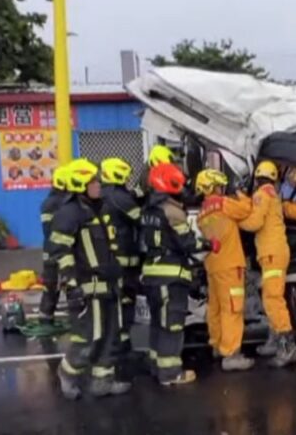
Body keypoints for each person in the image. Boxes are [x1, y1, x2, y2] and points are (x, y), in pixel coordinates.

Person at [49, 158, 130, 400]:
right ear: (80, 185)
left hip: (108, 285)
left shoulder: (99, 208)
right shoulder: (69, 213)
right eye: (93, 181)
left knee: (110, 336)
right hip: (87, 288)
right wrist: (72, 284)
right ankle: (67, 374)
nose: (98, 184)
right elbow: (60, 252)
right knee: (88, 338)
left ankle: (102, 381)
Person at [140, 163, 215, 385]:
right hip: (171, 277)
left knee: (158, 323)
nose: (183, 190)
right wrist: (209, 244)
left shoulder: (148, 210)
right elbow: (188, 242)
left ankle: (156, 365)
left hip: (152, 275)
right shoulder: (172, 211)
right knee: (172, 326)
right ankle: (170, 373)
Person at [239, 160, 296, 368]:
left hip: (272, 253)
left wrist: (235, 218)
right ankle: (277, 340)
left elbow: (254, 223)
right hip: (275, 252)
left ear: (257, 178)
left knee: (273, 299)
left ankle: (287, 346)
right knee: (272, 298)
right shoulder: (272, 194)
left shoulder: (262, 194)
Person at [195, 168, 255, 371]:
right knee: (232, 308)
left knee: (216, 308)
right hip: (230, 264)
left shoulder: (202, 213)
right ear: (213, 187)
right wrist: (240, 193)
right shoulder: (223, 204)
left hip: (213, 266)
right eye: (221, 186)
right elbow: (245, 210)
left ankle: (217, 344)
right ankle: (231, 354)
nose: (223, 189)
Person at [99, 157, 143, 365]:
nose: (128, 180)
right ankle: (120, 347)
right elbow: (141, 218)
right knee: (124, 304)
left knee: (119, 304)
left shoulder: (104, 195)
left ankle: (120, 343)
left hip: (112, 260)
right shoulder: (119, 197)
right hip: (123, 262)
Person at [39, 165, 72, 325]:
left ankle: (46, 318)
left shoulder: (47, 202)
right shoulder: (65, 203)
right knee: (70, 283)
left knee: (50, 286)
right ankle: (76, 318)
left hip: (49, 251)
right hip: (63, 250)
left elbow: (47, 231)